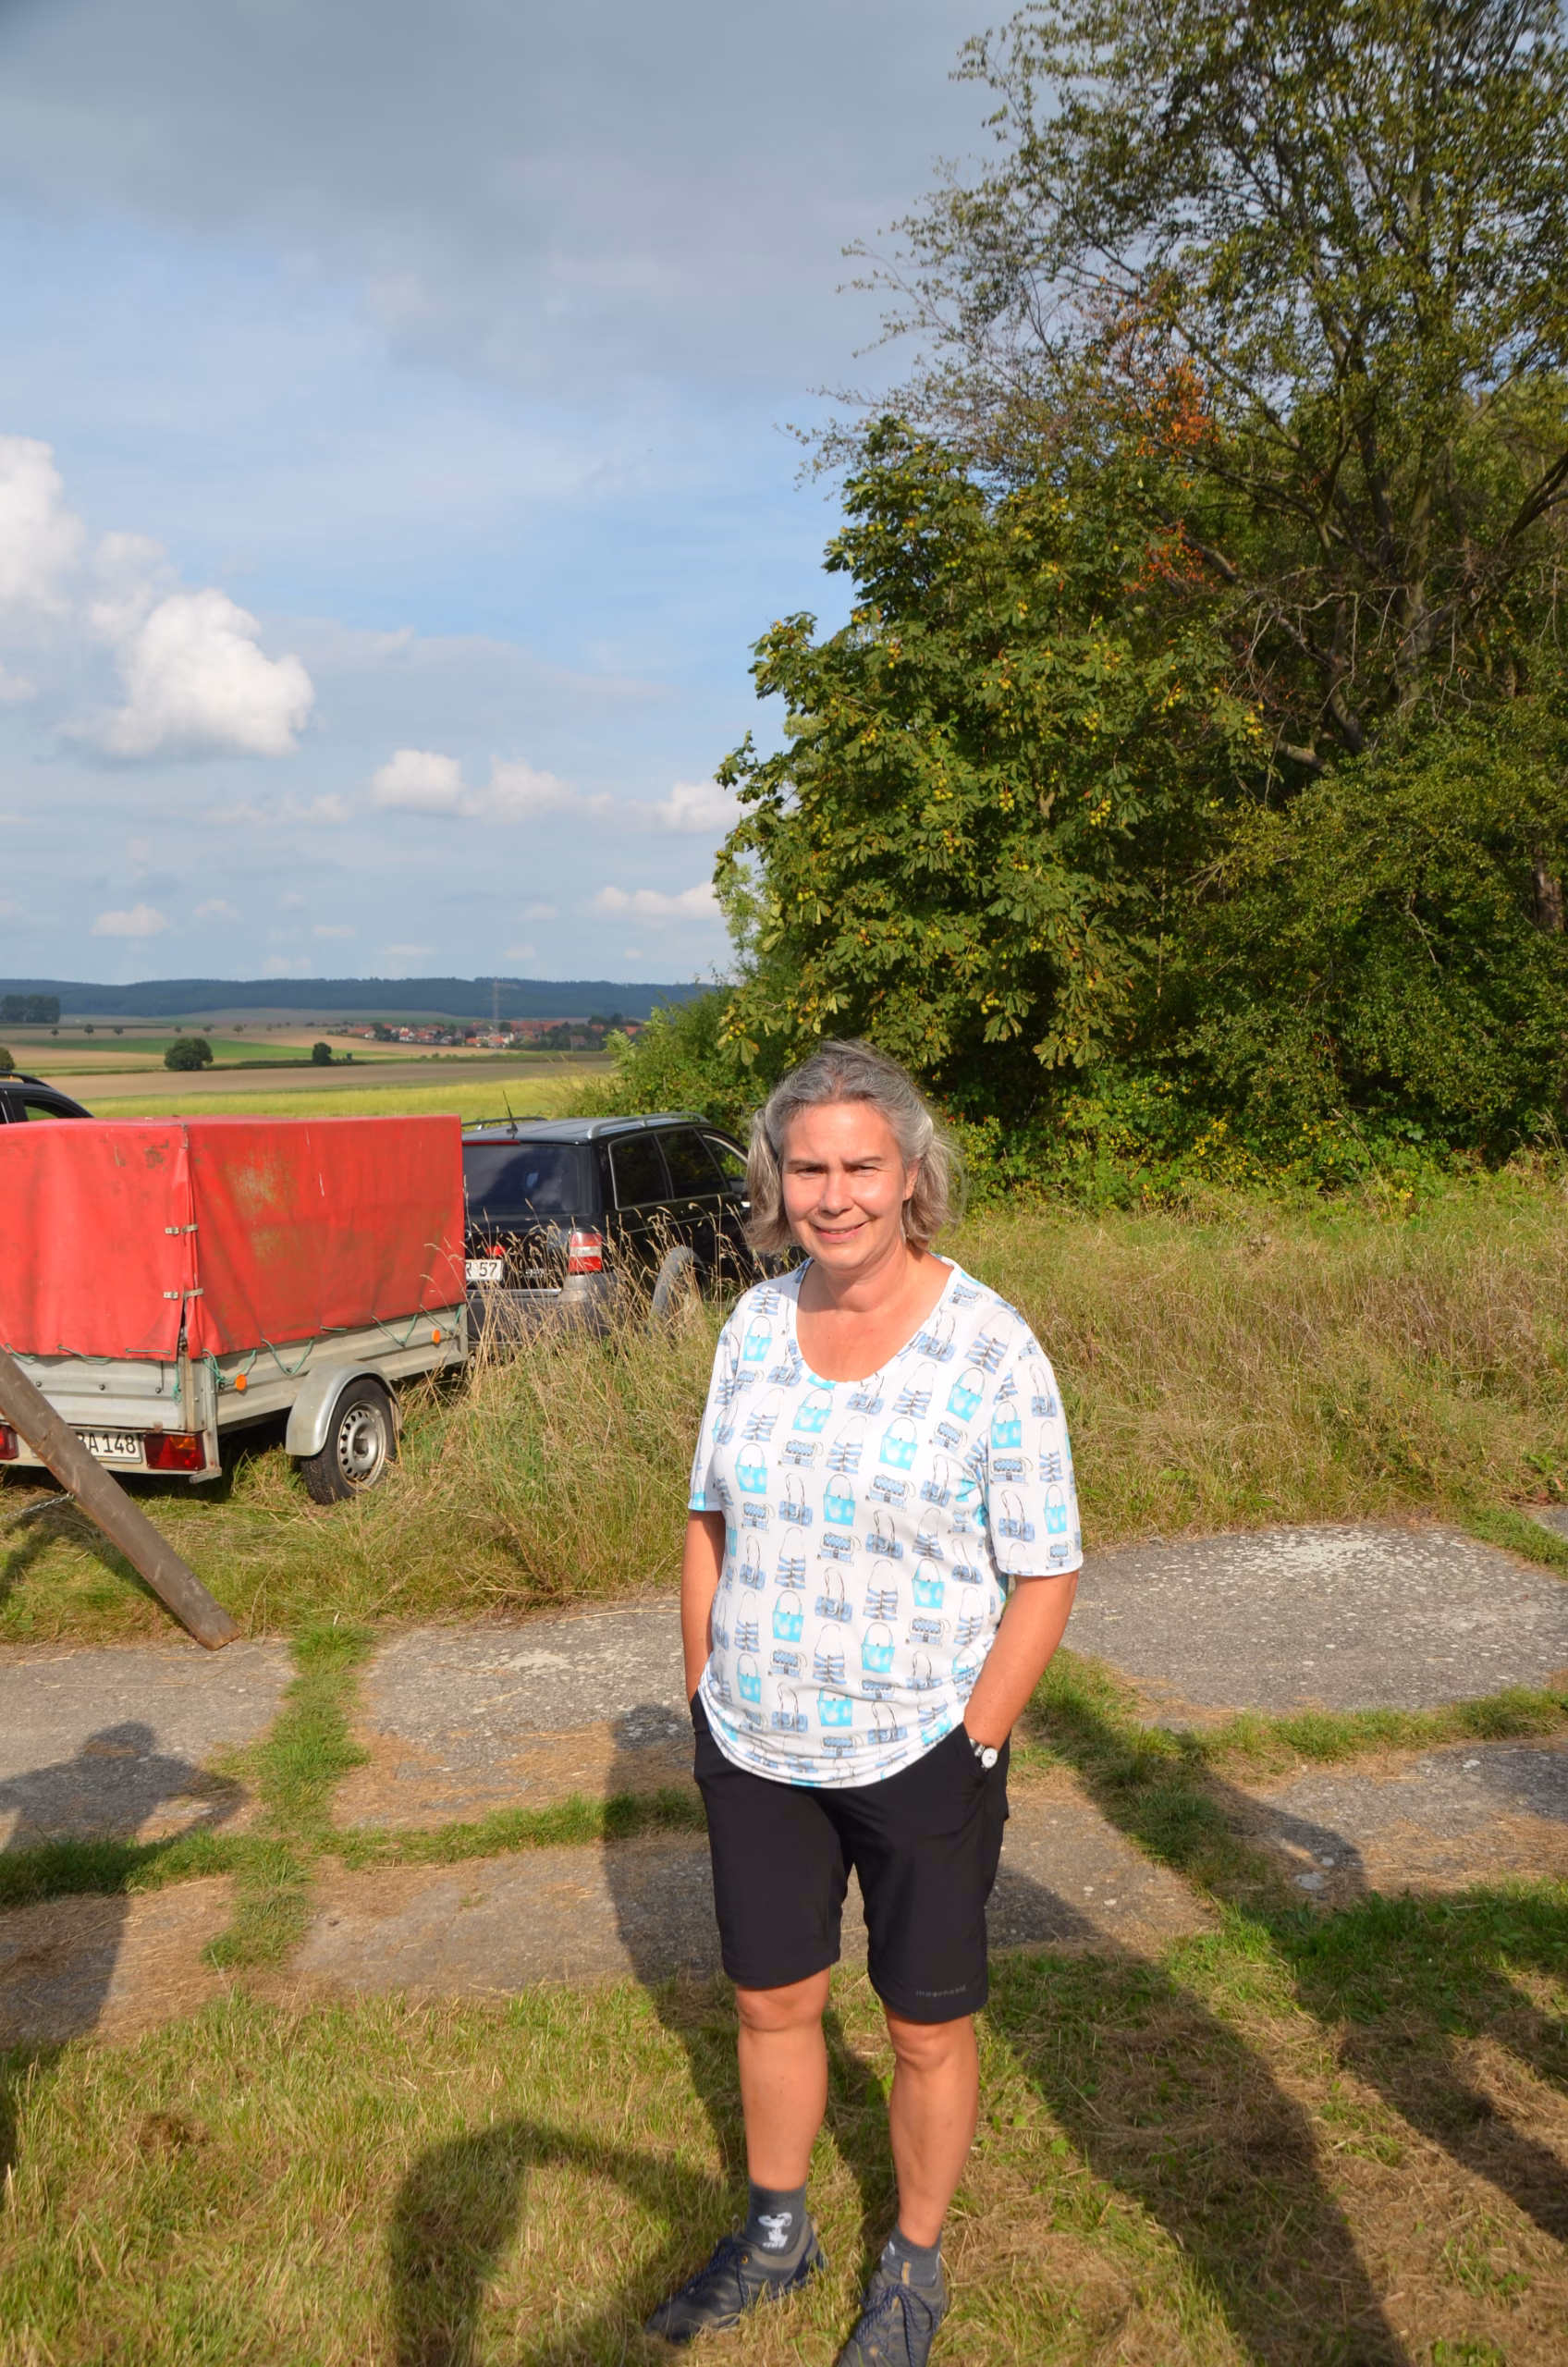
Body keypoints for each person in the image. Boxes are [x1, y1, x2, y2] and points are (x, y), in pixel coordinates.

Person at [645, 1041, 1083, 2364]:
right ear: (778, 1180)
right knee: (773, 2002)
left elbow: (1047, 1568)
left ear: (910, 1178)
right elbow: (706, 1520)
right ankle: (779, 2232)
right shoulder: (751, 1327)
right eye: (808, 1167)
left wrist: (978, 1741)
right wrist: (707, 1694)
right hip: (758, 1742)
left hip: (919, 1748)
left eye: (860, 1168)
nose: (833, 1195)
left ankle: (913, 2260)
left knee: (923, 2022)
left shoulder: (989, 1347)